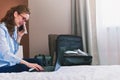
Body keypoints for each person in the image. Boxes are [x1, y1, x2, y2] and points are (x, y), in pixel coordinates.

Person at [0, 5, 44, 73]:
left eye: (25, 20)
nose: (23, 23)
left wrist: (19, 36)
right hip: (2, 65)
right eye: (23, 18)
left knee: (37, 61)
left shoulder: (14, 29)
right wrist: (27, 64)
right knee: (24, 67)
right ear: (15, 14)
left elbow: (13, 52)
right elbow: (6, 54)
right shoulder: (1, 30)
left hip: (10, 62)